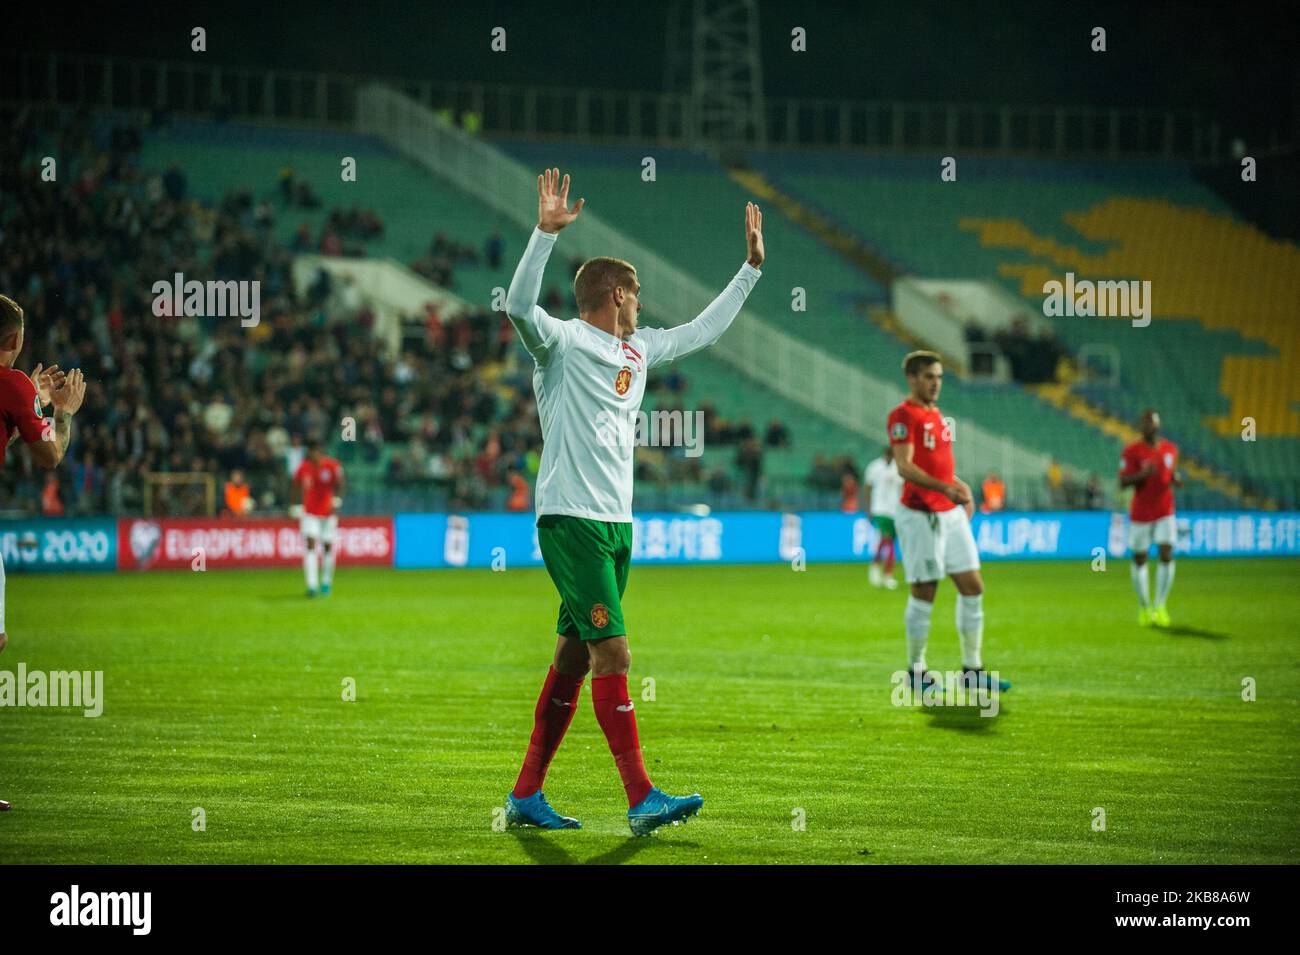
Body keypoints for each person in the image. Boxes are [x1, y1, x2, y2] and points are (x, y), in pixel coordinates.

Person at [502, 168, 764, 835]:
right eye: (637, 295)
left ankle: (526, 794)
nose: (643, 307)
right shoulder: (560, 342)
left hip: (617, 524)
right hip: (571, 519)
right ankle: (642, 796)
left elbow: (702, 331)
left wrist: (750, 271)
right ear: (614, 294)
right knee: (613, 653)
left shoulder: (637, 350)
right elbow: (516, 308)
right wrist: (543, 234)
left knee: (570, 658)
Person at [0, 294, 89, 814]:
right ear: (14, 340)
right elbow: (50, 456)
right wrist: (59, 411)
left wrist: (24, 407)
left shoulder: (12, 390)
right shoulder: (10, 383)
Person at [887, 351, 1009, 693]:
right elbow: (905, 467)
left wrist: (957, 484)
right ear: (912, 378)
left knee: (973, 587)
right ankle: (916, 673)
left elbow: (936, 464)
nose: (936, 383)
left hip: (948, 510)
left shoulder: (937, 415)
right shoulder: (902, 415)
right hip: (920, 513)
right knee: (925, 591)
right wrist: (945, 488)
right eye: (929, 377)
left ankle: (972, 670)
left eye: (939, 377)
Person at [1120, 409, 1182, 627]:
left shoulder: (1170, 449)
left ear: (1158, 425)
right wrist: (1142, 475)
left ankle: (1160, 606)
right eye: (1145, 423)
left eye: (1152, 423)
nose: (1149, 426)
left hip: (1165, 510)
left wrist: (1175, 478)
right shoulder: (1132, 451)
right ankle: (1144, 606)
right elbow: (1123, 482)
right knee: (1140, 558)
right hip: (1141, 513)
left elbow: (1169, 473)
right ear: (1141, 427)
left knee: (1166, 553)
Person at [291, 439, 345, 597]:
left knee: (328, 546)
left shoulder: (332, 466)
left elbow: (341, 483)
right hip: (310, 513)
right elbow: (294, 486)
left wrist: (338, 500)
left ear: (319, 451)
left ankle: (326, 583)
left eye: (315, 451)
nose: (312, 454)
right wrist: (294, 505)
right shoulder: (303, 467)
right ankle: (312, 585)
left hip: (328, 513)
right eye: (310, 451)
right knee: (310, 544)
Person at [863, 445, 902, 589]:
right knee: (888, 539)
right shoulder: (874, 467)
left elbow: (903, 488)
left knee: (887, 540)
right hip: (879, 509)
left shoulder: (899, 467)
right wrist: (868, 509)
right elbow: (867, 488)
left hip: (895, 510)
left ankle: (874, 566)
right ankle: (888, 575)